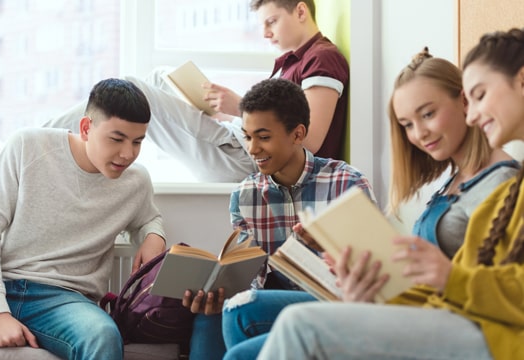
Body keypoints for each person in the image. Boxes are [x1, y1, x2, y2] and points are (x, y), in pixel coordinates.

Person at [220, 48, 520, 359]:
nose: (419, 133)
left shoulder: (501, 186)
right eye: (407, 124)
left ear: (465, 102)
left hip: (457, 320)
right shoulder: (452, 184)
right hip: (418, 307)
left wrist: (443, 278)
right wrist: (352, 279)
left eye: (428, 114)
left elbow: (480, 285)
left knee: (294, 325)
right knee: (239, 330)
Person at [42, 0, 350, 183]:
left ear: (299, 11)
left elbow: (309, 141)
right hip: (238, 145)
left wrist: (239, 107)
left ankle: (39, 138)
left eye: (271, 21)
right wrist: (219, 111)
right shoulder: (291, 63)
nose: (265, 33)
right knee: (160, 77)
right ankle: (44, 142)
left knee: (134, 88)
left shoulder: (321, 58)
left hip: (247, 160)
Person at [180, 77, 372, 360]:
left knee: (243, 308)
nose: (252, 149)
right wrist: (217, 291)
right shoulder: (244, 195)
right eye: (247, 136)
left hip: (337, 300)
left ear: (297, 134)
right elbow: (251, 276)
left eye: (264, 137)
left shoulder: (347, 183)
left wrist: (326, 244)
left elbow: (373, 267)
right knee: (210, 316)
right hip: (274, 299)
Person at [0, 79, 167, 360]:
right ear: (86, 128)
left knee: (102, 335)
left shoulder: (136, 181)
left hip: (65, 300)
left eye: (137, 142)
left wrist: (154, 235)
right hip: (3, 281)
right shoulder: (28, 146)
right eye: (116, 139)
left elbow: (149, 217)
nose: (127, 154)